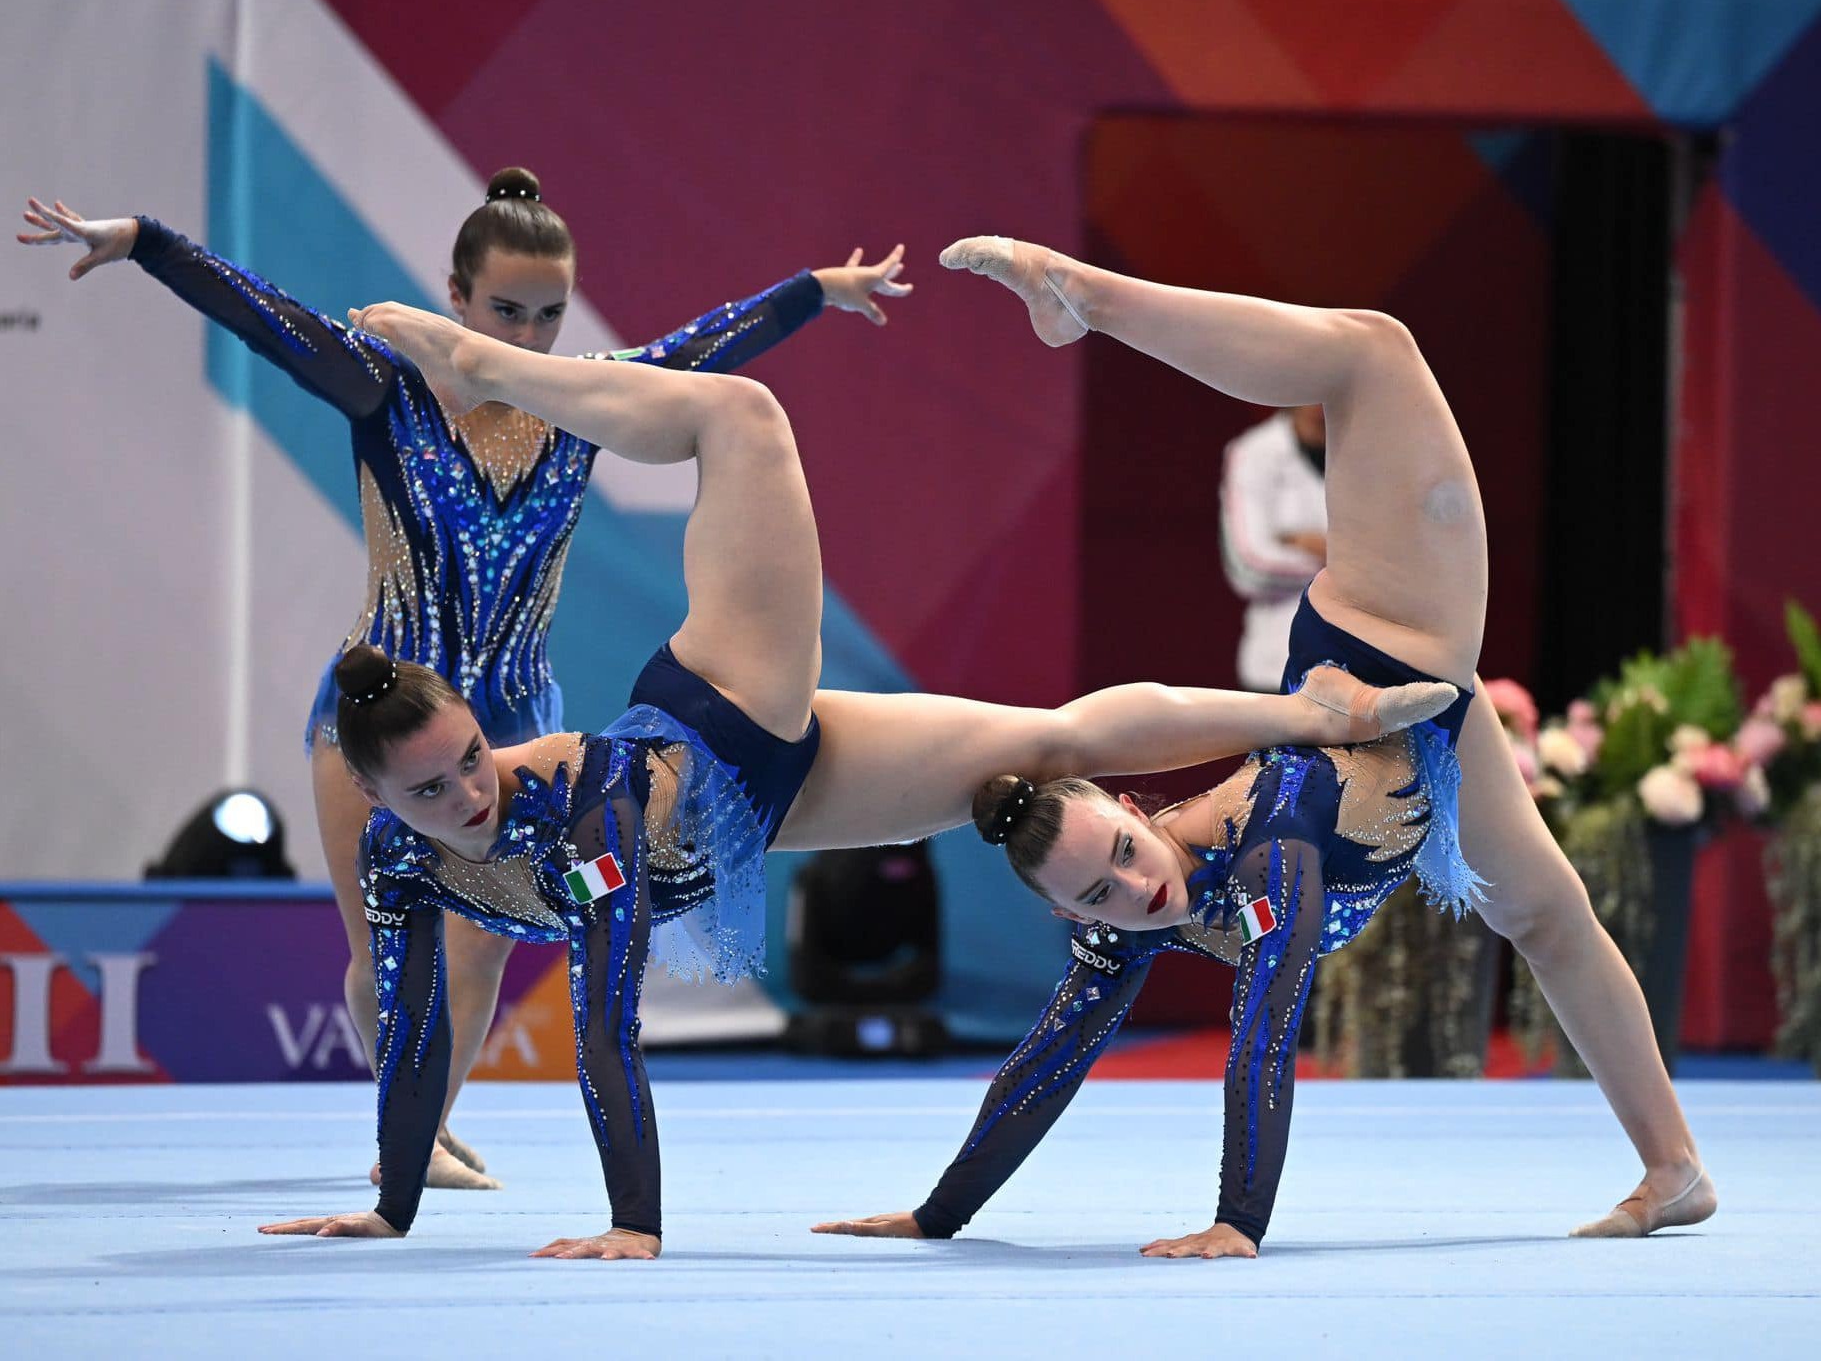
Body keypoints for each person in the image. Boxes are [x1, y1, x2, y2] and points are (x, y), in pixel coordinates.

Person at [253, 298, 1455, 1255]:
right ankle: (1301, 712)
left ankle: (485, 364)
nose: (468, 797)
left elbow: (604, 1026)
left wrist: (634, 1223)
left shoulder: (583, 818)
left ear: (482, 723)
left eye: (470, 759)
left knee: (743, 420)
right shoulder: (400, 858)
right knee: (1055, 750)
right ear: (382, 807)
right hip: (781, 810)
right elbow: (409, 1032)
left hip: (737, 715)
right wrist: (391, 1206)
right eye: (429, 794)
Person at [812, 235, 1715, 1258]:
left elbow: (1261, 1037)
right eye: (1099, 897)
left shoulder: (1270, 846)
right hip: (1437, 743)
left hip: (1382, 646)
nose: (1136, 890)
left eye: (1122, 854)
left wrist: (1237, 1222)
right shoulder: (1164, 915)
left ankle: (1091, 300)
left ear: (1137, 811)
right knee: (1552, 922)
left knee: (1371, 353)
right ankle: (1674, 1168)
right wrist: (939, 1215)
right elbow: (1051, 1059)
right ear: (1069, 916)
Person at [16, 176, 911, 1187]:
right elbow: (268, 320)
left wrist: (815, 292)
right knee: (383, 942)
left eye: (547, 315)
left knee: (484, 946)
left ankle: (426, 1128)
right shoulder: (385, 390)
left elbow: (703, 354)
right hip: (380, 716)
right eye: (505, 312)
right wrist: (144, 240)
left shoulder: (579, 405)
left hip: (516, 719)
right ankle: (407, 1124)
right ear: (456, 297)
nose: (528, 336)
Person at [1220, 405, 1328, 691]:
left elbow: (1399, 558)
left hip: (1357, 671)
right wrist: (1343, 560)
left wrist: (1299, 542)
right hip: (1276, 668)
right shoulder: (1254, 453)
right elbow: (1248, 569)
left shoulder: (1372, 449)